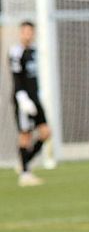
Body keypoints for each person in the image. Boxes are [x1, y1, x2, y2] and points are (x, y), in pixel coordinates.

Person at [8, 21, 52, 187]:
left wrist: (40, 93)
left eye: (31, 32)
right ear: (21, 33)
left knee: (46, 133)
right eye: (25, 31)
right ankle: (25, 175)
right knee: (25, 135)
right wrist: (22, 98)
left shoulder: (35, 52)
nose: (28, 34)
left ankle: (23, 163)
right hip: (24, 100)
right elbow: (16, 77)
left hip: (35, 98)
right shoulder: (16, 52)